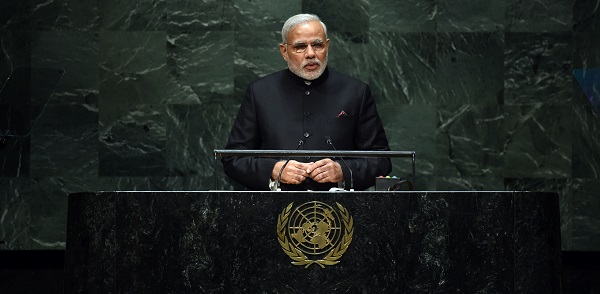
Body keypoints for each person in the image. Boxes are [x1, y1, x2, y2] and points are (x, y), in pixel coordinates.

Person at [222, 13, 391, 191]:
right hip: (274, 210)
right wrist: (272, 170)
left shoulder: (356, 91)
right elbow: (233, 158)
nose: (311, 54)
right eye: (300, 47)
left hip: (340, 211)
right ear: (284, 51)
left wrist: (344, 170)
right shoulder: (260, 92)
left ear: (327, 45)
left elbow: (381, 160)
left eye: (317, 45)